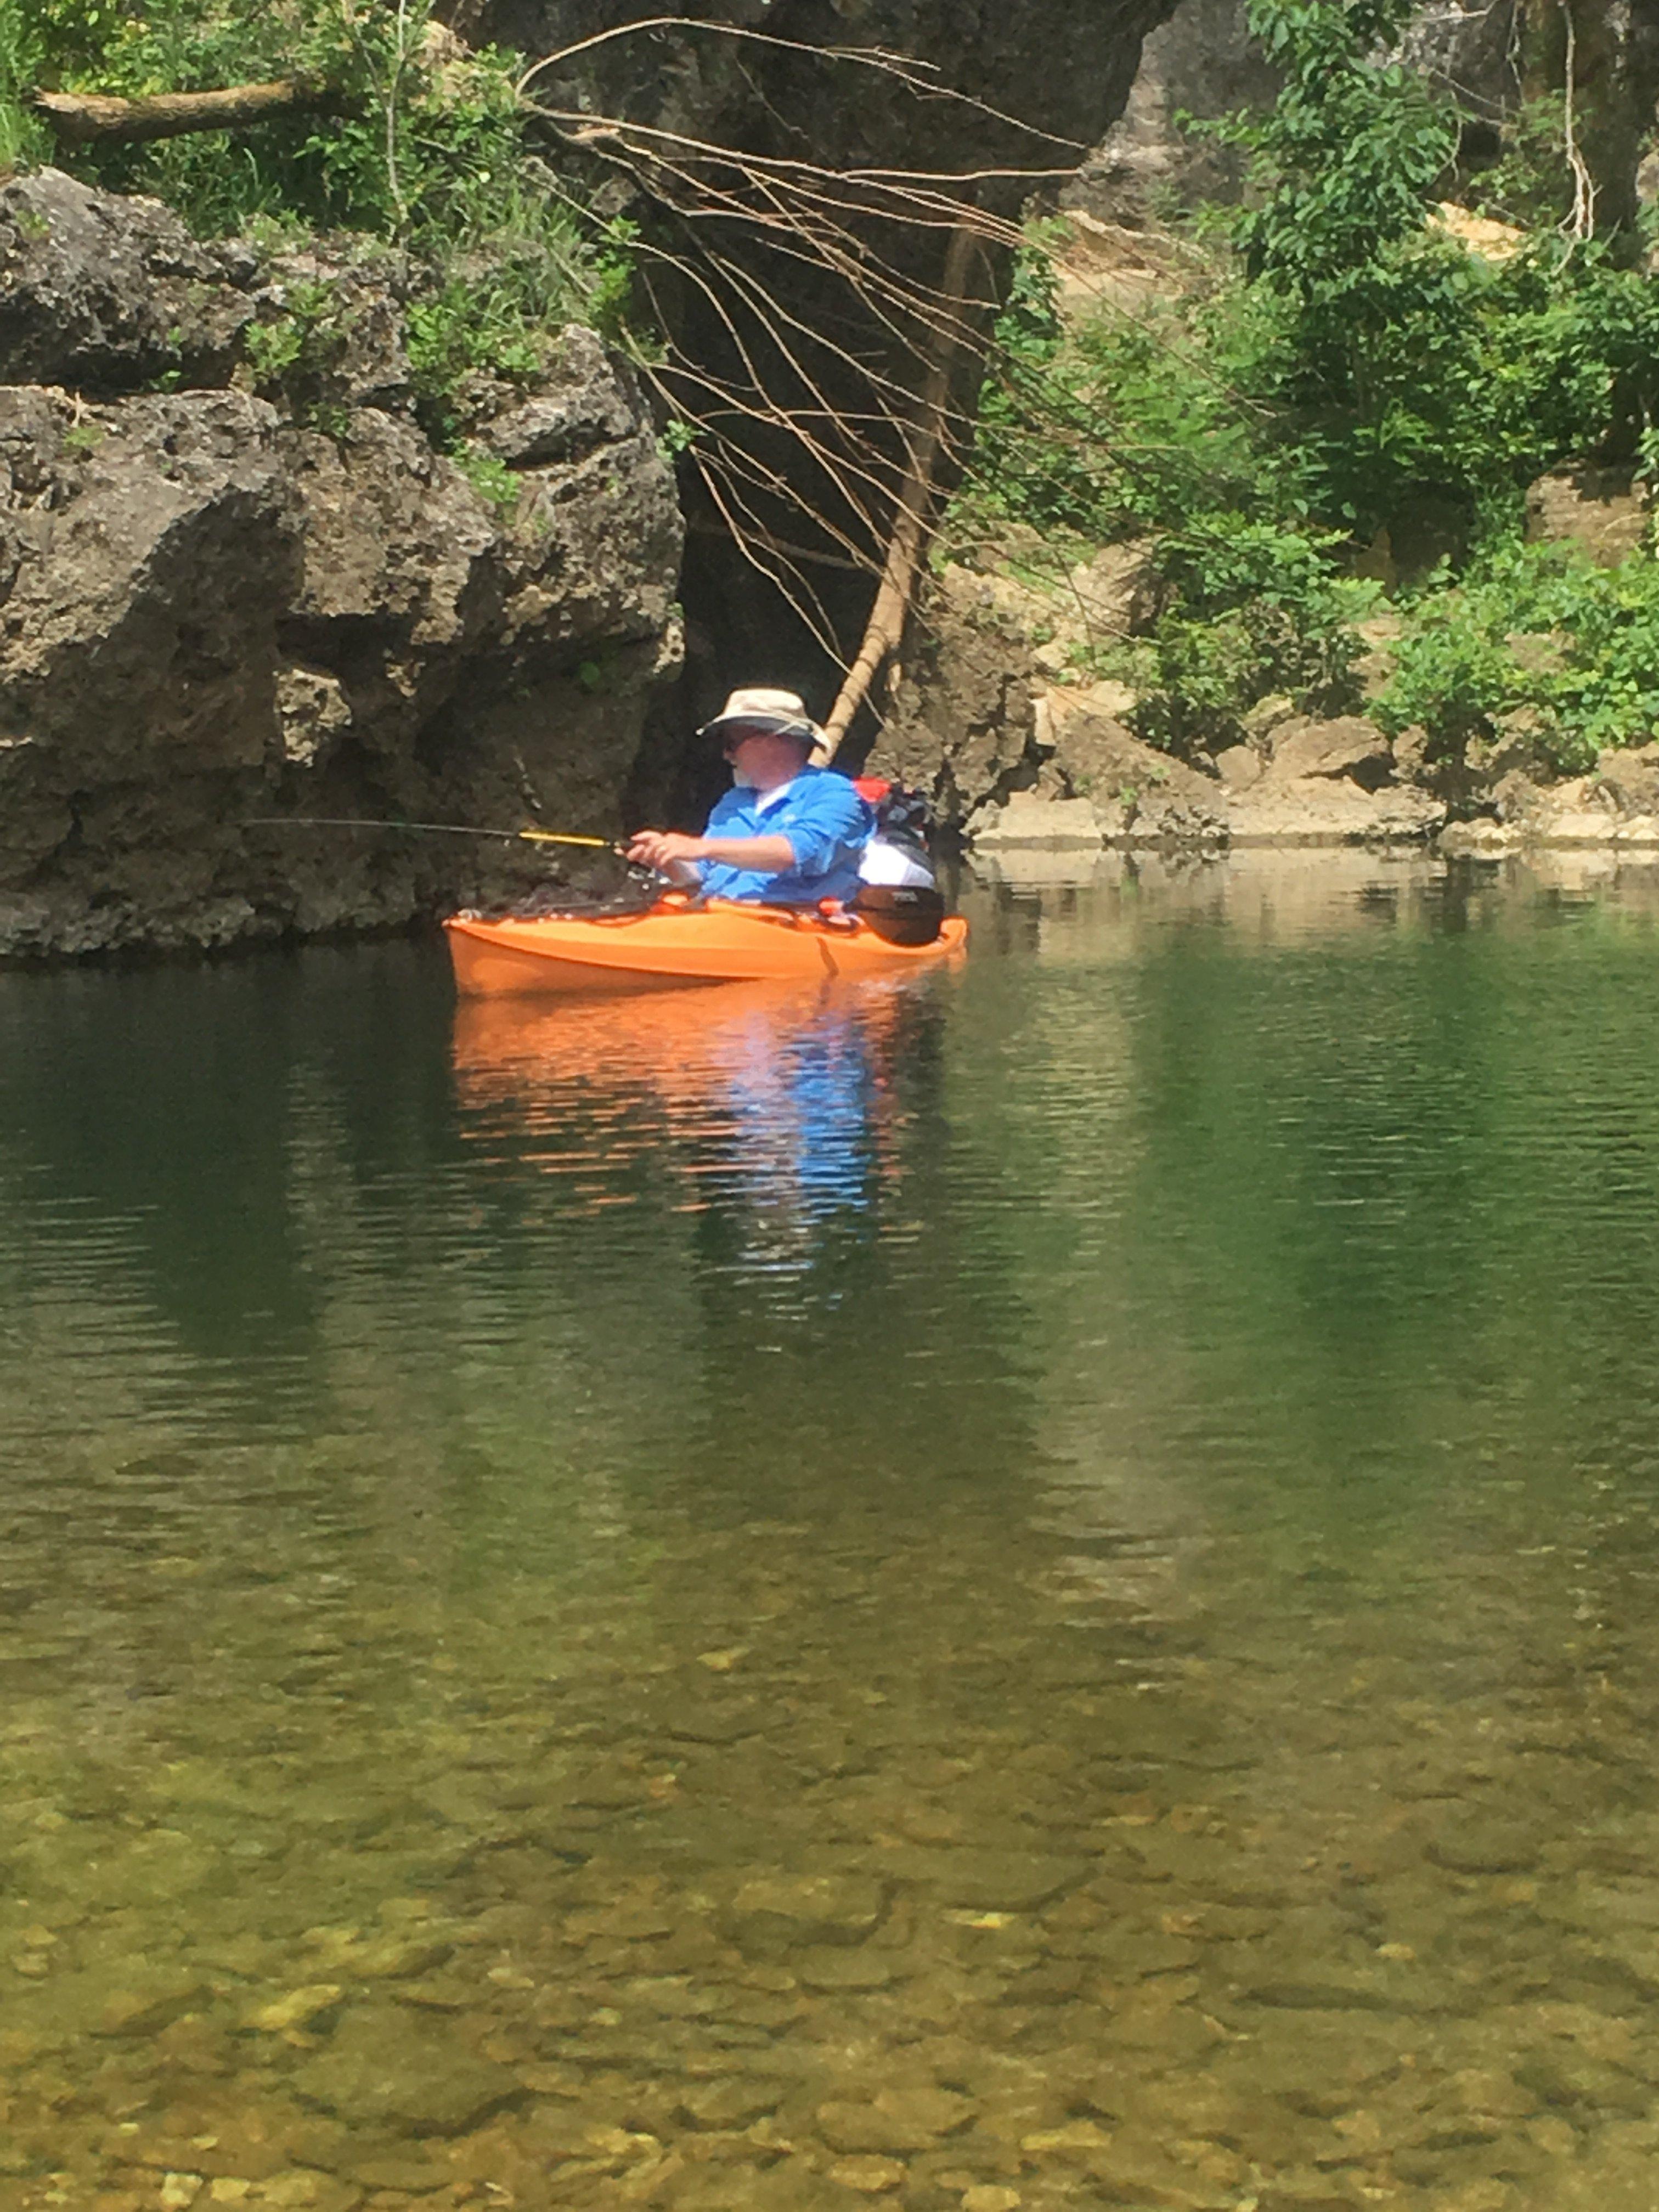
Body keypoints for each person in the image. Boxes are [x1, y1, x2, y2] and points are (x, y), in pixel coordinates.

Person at [626, 689, 872, 906]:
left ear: (772, 740)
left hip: (795, 930)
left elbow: (796, 853)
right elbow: (699, 875)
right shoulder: (733, 802)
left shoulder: (835, 794)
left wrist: (701, 847)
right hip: (720, 922)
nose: (726, 755)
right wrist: (666, 858)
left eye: (731, 743)